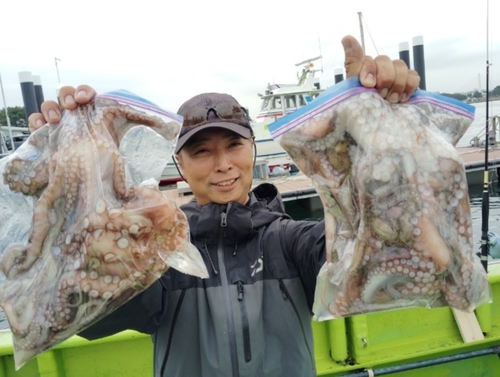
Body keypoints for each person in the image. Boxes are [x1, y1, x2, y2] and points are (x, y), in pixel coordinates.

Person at [29, 36, 419, 377]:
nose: (223, 164)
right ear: (180, 164)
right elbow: (86, 316)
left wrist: (377, 135)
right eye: (201, 151)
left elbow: (380, 255)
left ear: (252, 148)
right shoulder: (160, 259)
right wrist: (71, 194)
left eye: (234, 145)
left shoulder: (291, 242)